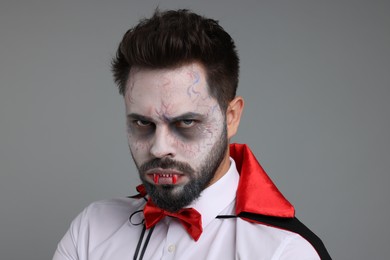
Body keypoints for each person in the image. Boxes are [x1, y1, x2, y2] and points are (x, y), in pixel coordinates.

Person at [53, 9, 331, 260]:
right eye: (142, 123)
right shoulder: (91, 230)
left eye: (186, 122)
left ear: (231, 117)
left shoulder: (284, 252)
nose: (159, 148)